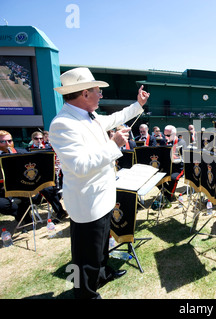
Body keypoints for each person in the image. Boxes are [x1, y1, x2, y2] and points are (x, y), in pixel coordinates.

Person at [49, 67, 150, 299]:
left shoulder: (88, 115)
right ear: (85, 94)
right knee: (87, 256)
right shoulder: (63, 124)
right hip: (87, 202)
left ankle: (103, 274)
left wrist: (138, 105)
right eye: (98, 91)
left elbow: (115, 118)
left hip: (102, 196)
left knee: (101, 245)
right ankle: (86, 293)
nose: (101, 95)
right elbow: (80, 166)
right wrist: (114, 144)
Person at [0, 130, 68, 223]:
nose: (7, 144)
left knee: (46, 187)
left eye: (10, 141)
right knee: (4, 205)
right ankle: (22, 217)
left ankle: (60, 211)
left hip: (27, 185)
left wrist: (51, 167)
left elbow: (37, 167)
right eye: (3, 141)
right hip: (4, 190)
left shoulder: (21, 152)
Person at [160, 125, 186, 202]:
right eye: (164, 135)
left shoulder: (181, 142)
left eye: (168, 135)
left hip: (178, 167)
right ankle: (167, 193)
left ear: (174, 134)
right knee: (156, 179)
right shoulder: (163, 141)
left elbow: (184, 158)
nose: (165, 137)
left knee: (173, 178)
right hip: (166, 166)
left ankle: (169, 196)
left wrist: (175, 158)